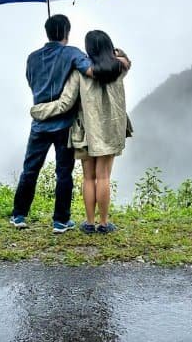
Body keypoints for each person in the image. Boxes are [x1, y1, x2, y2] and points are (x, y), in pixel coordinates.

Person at [11, 15, 123, 233]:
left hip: (40, 124)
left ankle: (19, 215)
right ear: (66, 32)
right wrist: (119, 61)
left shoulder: (32, 58)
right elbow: (92, 71)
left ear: (48, 32)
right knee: (64, 173)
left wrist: (39, 107)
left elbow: (31, 81)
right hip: (64, 125)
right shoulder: (72, 54)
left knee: (30, 170)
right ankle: (60, 221)